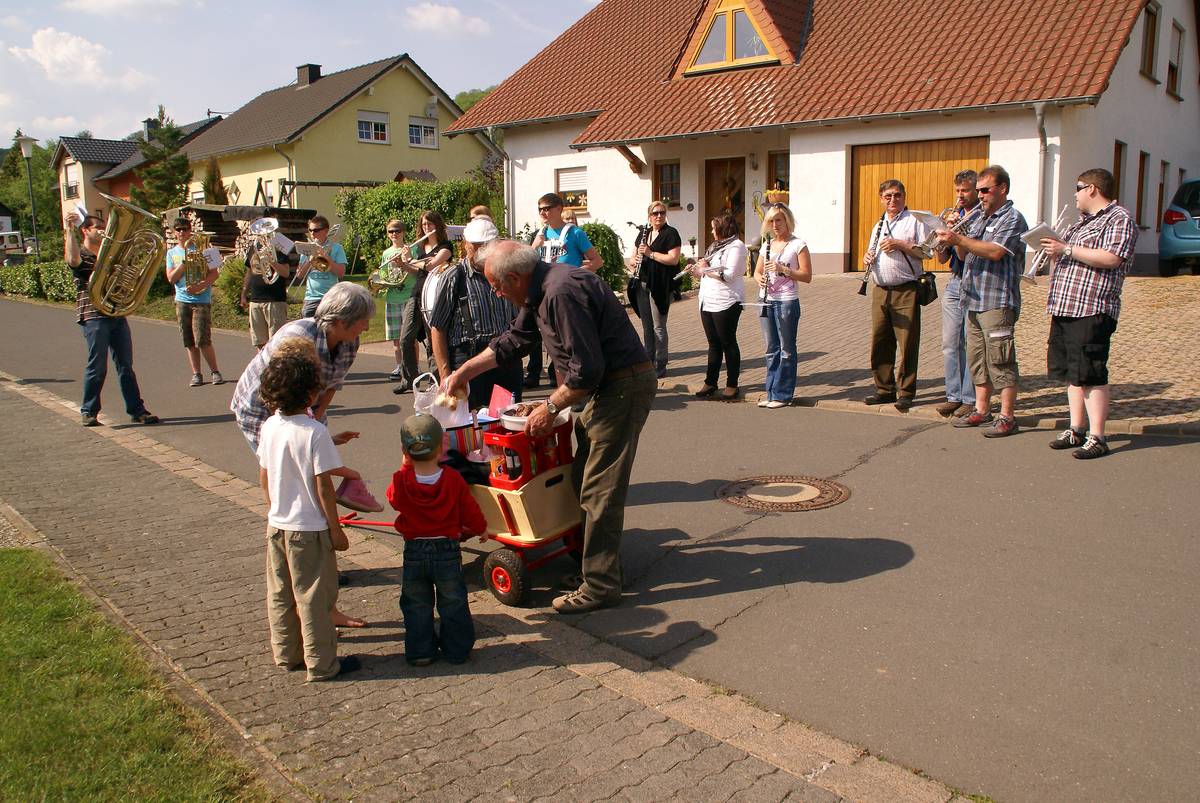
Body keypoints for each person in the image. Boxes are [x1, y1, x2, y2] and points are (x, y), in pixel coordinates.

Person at [446, 241, 655, 614]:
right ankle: (597, 569)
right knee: (581, 480)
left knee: (598, 491)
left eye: (496, 285)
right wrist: (464, 371)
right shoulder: (538, 289)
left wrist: (548, 406)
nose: (495, 292)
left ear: (514, 277)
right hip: (606, 389)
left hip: (622, 387)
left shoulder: (560, 292)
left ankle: (602, 585)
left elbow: (587, 370)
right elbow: (515, 340)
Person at [231, 282, 375, 629]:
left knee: (310, 492)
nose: (366, 328)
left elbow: (328, 389)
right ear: (341, 320)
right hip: (265, 414)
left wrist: (320, 434)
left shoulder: (348, 342)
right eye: (362, 321)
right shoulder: (295, 341)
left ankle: (316, 571)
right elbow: (282, 397)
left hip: (300, 415)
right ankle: (313, 582)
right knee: (304, 495)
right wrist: (312, 445)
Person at [256, 346, 361, 681]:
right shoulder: (315, 433)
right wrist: (335, 529)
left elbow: (265, 474)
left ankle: (286, 653)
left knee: (280, 592)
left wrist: (273, 507)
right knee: (314, 597)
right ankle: (322, 664)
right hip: (310, 529)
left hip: (278, 525)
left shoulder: (270, 426)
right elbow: (324, 488)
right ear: (312, 392)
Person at [1040, 168, 1137, 459]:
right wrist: (1056, 252)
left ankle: (1097, 436)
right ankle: (1076, 429)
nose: (1075, 193)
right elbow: (1068, 253)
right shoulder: (1080, 223)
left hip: (1092, 308)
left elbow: (1112, 258)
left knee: (1092, 373)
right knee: (1073, 373)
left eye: (1078, 187)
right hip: (1065, 307)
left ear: (1092, 189)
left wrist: (1067, 249)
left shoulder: (1120, 218)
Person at [386, 414, 487, 666]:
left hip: (414, 551)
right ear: (442, 447)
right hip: (447, 550)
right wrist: (481, 528)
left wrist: (404, 466)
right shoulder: (452, 479)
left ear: (403, 451)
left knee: (416, 603)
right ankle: (457, 650)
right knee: (453, 601)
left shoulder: (401, 480)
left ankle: (420, 651)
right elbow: (470, 509)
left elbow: (393, 500)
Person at [938, 164, 1029, 438]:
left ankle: (1007, 416)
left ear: (1002, 188)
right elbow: (964, 256)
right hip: (973, 298)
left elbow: (995, 252)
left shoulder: (1011, 218)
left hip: (997, 299)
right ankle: (981, 409)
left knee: (1000, 360)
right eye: (978, 190)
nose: (980, 195)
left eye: (985, 190)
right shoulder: (980, 218)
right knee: (977, 359)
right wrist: (952, 236)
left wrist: (959, 237)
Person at [63, 210, 159, 428]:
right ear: (86, 230)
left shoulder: (110, 254)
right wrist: (69, 230)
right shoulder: (83, 254)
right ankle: (89, 411)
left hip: (116, 313)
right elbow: (73, 259)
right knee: (97, 366)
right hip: (93, 315)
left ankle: (137, 410)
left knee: (126, 366)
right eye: (99, 228)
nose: (104, 231)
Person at [427, 217, 521, 409]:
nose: (480, 251)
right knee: (471, 425)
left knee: (508, 420)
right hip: (468, 359)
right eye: (475, 246)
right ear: (466, 244)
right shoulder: (454, 276)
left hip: (506, 357)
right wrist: (445, 375)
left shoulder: (507, 273)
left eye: (486, 245)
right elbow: (438, 328)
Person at [861, 180, 928, 411]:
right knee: (880, 342)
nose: (893, 200)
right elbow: (871, 251)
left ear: (904, 197)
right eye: (888, 196)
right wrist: (866, 258)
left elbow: (926, 252)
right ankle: (884, 389)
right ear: (881, 198)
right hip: (880, 290)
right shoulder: (879, 223)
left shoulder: (914, 221)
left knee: (907, 342)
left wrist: (900, 244)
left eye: (897, 195)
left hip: (905, 289)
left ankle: (906, 392)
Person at [526, 192, 602, 387]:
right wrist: (534, 246)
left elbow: (597, 261)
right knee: (551, 341)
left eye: (547, 208)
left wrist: (574, 273)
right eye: (540, 209)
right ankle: (560, 386)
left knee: (570, 340)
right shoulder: (541, 234)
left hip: (568, 294)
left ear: (559, 209)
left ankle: (578, 385)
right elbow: (527, 263)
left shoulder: (575, 233)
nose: (543, 212)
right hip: (545, 292)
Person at [754, 204, 812, 408]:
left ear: (787, 220)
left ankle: (783, 394)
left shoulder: (798, 244)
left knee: (787, 348)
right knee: (771, 349)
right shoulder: (766, 244)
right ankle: (771, 392)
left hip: (786, 300)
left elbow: (807, 276)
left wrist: (783, 270)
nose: (775, 225)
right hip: (766, 299)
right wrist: (760, 279)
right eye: (771, 221)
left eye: (779, 220)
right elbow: (757, 271)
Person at [935, 171, 982, 418]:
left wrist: (957, 236)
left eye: (964, 191)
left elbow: (966, 254)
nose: (960, 196)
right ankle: (953, 395)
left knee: (968, 342)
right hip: (954, 282)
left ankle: (969, 397)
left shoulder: (980, 216)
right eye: (957, 191)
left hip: (974, 281)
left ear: (975, 191)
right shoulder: (956, 216)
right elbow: (942, 258)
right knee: (949, 342)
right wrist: (944, 235)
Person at [688, 213, 747, 401]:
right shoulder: (714, 246)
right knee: (713, 344)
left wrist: (705, 268)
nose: (712, 230)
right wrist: (697, 271)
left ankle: (732, 384)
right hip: (707, 300)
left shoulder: (737, 246)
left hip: (726, 301)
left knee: (728, 342)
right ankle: (710, 382)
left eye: (714, 227)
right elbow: (705, 273)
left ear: (723, 228)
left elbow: (729, 275)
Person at [395, 211, 454, 394]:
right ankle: (409, 378)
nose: (426, 227)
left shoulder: (446, 246)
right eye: (423, 225)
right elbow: (417, 271)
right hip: (417, 293)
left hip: (435, 297)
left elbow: (431, 266)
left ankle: (435, 379)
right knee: (405, 338)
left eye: (429, 224)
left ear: (437, 225)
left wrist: (410, 259)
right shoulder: (421, 247)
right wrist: (404, 265)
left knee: (432, 340)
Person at [164, 217, 224, 387]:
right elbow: (171, 278)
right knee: (189, 340)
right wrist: (184, 263)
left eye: (185, 229)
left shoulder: (203, 248)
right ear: (174, 232)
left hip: (201, 299)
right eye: (178, 229)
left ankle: (215, 371)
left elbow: (215, 273)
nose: (182, 232)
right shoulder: (171, 253)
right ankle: (196, 374)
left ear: (190, 230)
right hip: (182, 300)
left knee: (202, 339)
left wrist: (201, 286)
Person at [625, 202, 681, 378]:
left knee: (658, 327)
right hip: (642, 284)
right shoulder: (644, 233)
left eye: (662, 213)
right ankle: (648, 363)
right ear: (649, 216)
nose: (659, 216)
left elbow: (673, 259)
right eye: (655, 213)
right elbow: (633, 257)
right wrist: (634, 262)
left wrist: (650, 254)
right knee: (647, 327)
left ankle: (661, 365)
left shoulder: (671, 233)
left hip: (660, 286)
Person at [240, 235, 295, 351]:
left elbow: (285, 272)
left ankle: (275, 368)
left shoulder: (279, 246)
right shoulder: (253, 247)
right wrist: (244, 294)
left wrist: (271, 261)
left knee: (276, 342)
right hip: (255, 300)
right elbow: (249, 272)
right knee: (259, 342)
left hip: (275, 300)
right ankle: (263, 367)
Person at [379, 219, 418, 380]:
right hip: (393, 297)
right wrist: (382, 283)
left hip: (409, 296)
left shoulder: (411, 249)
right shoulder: (386, 253)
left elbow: (417, 271)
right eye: (391, 231)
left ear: (403, 232)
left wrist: (406, 259)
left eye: (397, 231)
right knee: (396, 338)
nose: (394, 234)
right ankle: (399, 366)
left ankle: (414, 367)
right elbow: (383, 274)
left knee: (410, 337)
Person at [296, 215, 346, 318]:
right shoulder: (307, 248)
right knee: (308, 332)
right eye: (310, 230)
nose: (312, 233)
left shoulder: (337, 248)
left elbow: (341, 273)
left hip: (330, 298)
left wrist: (326, 257)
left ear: (326, 231)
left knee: (329, 331)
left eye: (316, 230)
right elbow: (299, 275)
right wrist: (309, 260)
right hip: (311, 298)